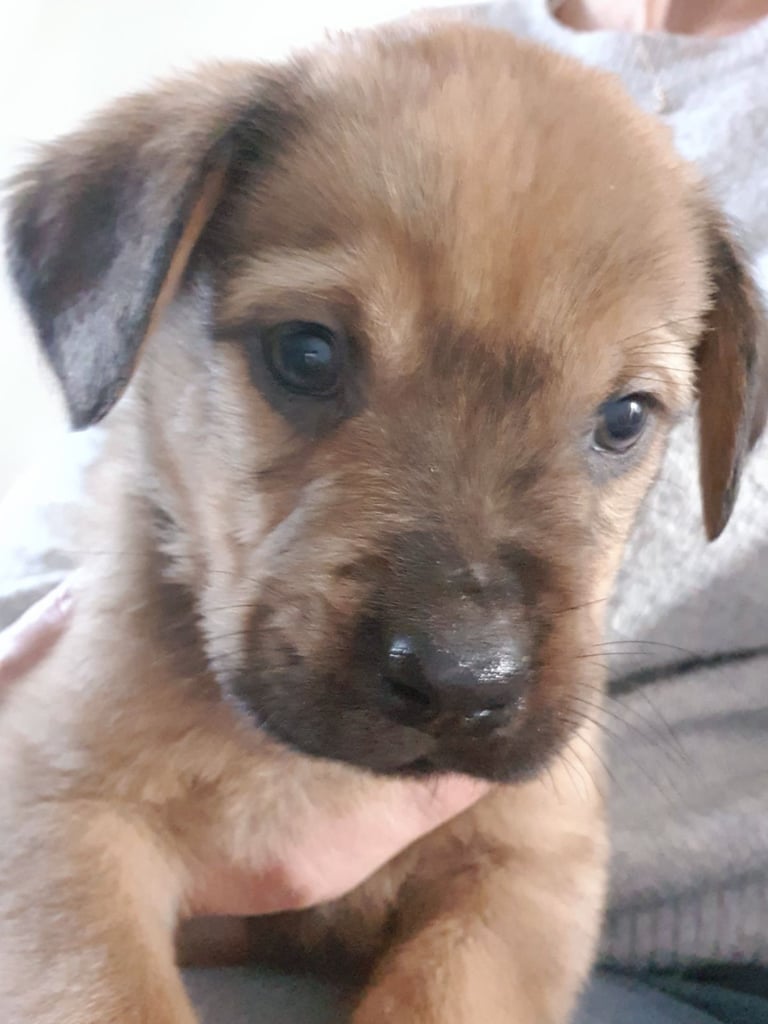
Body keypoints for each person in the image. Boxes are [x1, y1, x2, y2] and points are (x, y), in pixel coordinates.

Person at [2, 1, 767, 1020]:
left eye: (620, 420)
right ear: (128, 298)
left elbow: (528, 871)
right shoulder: (362, 97)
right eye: (307, 357)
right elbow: (52, 800)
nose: (462, 651)